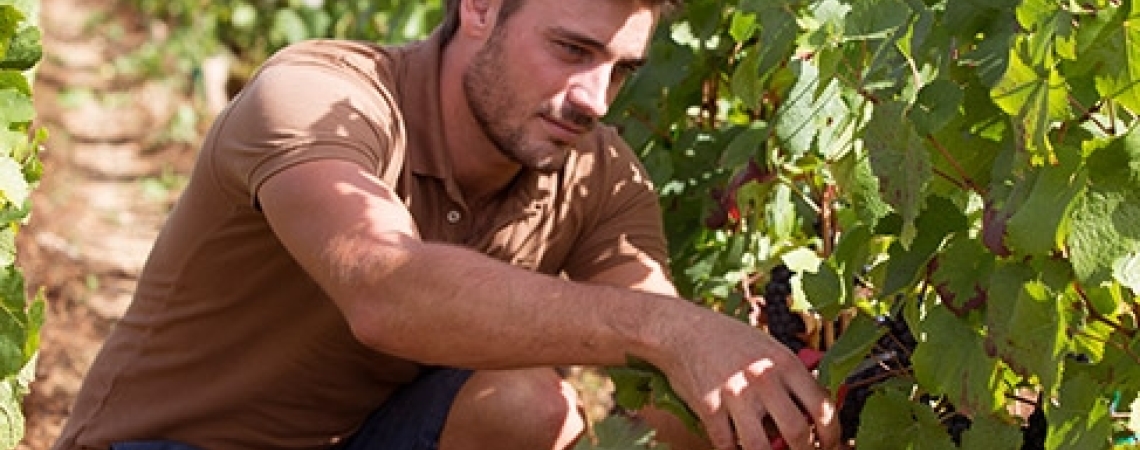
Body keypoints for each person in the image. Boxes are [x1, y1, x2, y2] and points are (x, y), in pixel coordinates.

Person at [52, 0, 841, 448]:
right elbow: (385, 289)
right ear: (481, 8)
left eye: (621, 68)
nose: (596, 98)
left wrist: (764, 412)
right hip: (165, 447)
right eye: (571, 49)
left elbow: (659, 374)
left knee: (537, 411)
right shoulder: (318, 97)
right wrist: (673, 332)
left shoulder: (598, 174)